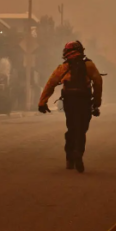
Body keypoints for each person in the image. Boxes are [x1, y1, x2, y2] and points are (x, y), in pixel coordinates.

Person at [38, 41, 103, 173]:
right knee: (82, 129)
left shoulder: (64, 67)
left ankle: (69, 156)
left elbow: (50, 84)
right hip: (84, 101)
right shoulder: (89, 65)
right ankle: (78, 152)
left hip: (70, 101)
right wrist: (96, 101)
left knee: (72, 127)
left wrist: (42, 102)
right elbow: (98, 82)